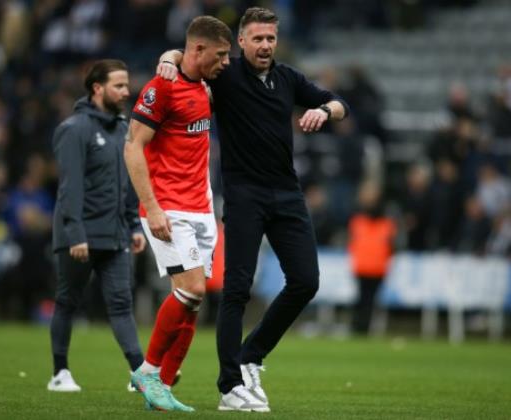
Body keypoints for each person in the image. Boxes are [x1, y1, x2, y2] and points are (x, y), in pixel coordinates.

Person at [158, 7, 350, 412]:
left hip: (287, 193)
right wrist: (168, 58)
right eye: (257, 39)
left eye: (271, 39)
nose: (265, 46)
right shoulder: (224, 75)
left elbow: (339, 103)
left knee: (306, 281)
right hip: (245, 194)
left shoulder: (288, 78)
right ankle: (230, 386)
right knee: (237, 290)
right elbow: (188, 56)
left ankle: (251, 356)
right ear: (240, 42)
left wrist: (323, 110)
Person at [124, 16, 232, 411]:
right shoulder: (161, 88)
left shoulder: (207, 84)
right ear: (198, 50)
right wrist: (151, 208)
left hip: (202, 209)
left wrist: (170, 54)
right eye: (220, 55)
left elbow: (182, 56)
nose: (225, 63)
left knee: (191, 301)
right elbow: (133, 147)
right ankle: (148, 371)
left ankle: (163, 387)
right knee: (191, 290)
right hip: (168, 207)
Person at [47, 59, 147, 393]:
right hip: (80, 236)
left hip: (116, 233)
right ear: (97, 88)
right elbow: (70, 187)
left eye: (126, 84)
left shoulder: (123, 130)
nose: (126, 91)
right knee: (68, 302)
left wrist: (134, 224)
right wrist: (75, 233)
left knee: (121, 305)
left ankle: (139, 373)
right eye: (119, 85)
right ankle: (60, 372)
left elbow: (128, 183)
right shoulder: (74, 129)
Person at [348, 181, 396, 334]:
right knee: (365, 300)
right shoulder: (364, 218)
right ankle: (360, 327)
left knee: (365, 300)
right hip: (368, 265)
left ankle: (361, 327)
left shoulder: (362, 218)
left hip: (372, 266)